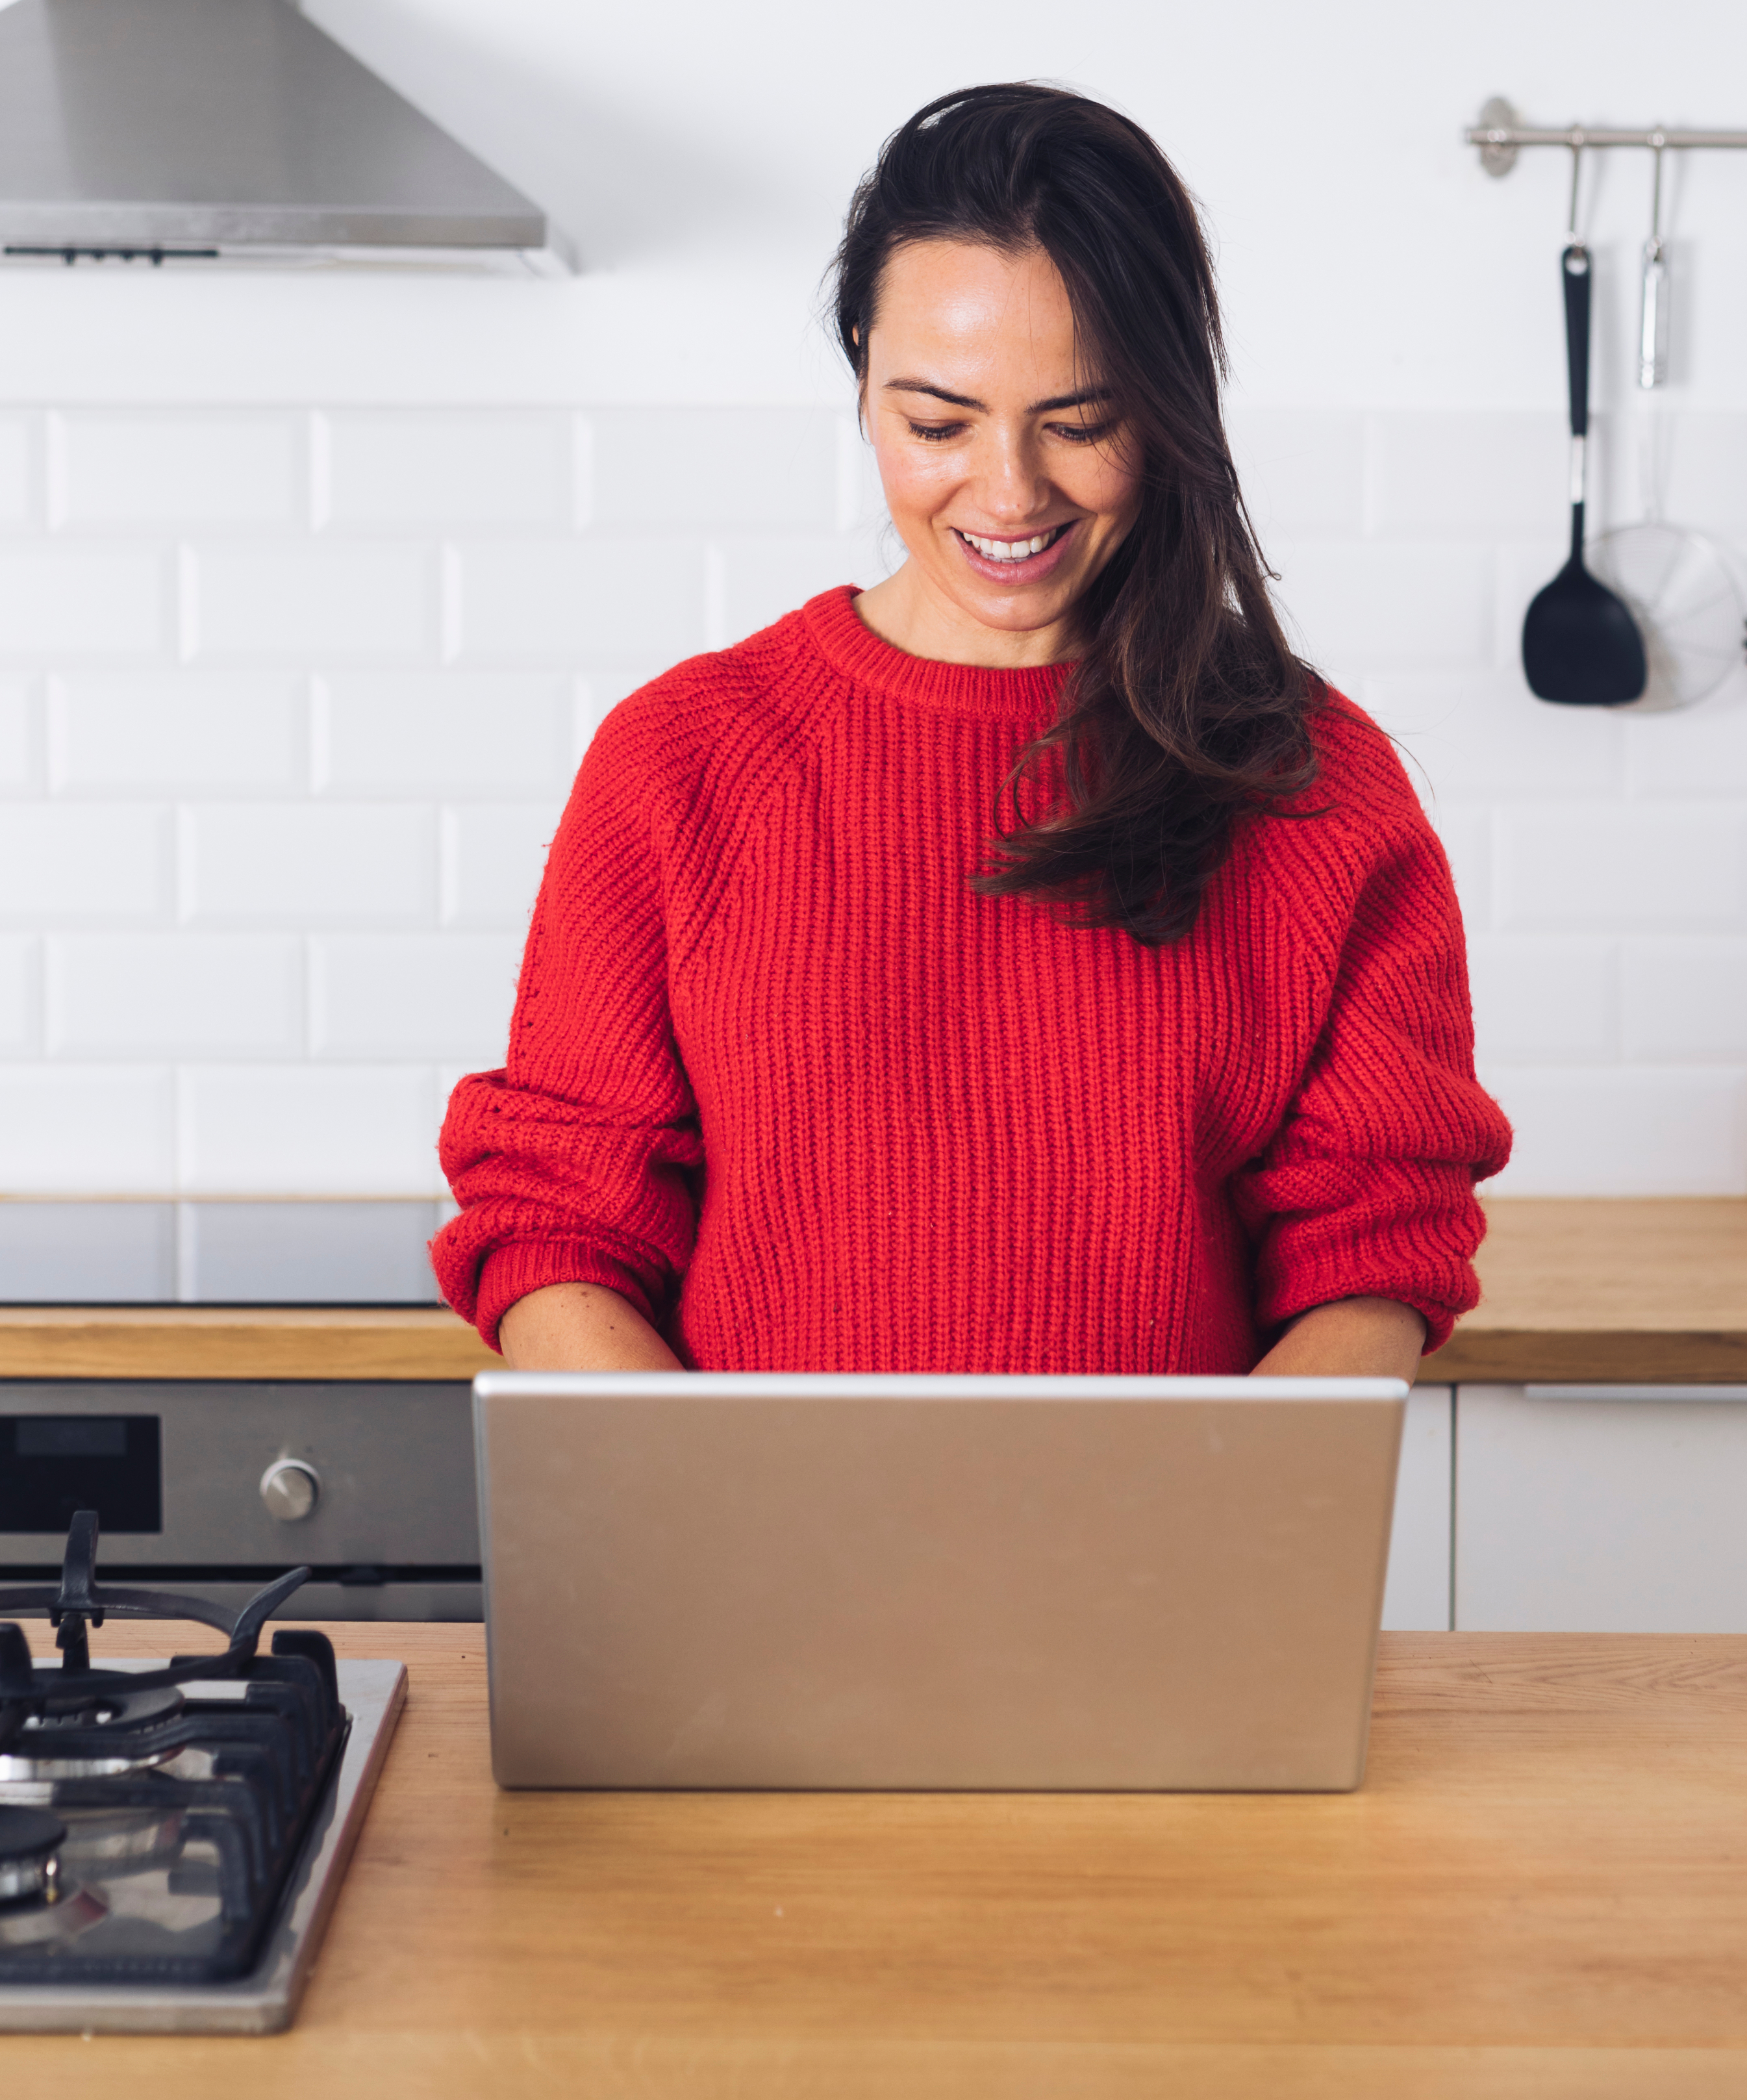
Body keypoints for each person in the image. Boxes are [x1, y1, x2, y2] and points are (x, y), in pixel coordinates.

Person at [433, 83, 1510, 1380]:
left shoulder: (1311, 783)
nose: (1008, 492)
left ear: (1166, 405)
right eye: (937, 422)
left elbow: (1376, 1240)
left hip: (1161, 1567)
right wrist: (714, 1527)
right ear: (860, 369)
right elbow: (562, 1217)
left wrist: (1208, 1539)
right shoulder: (680, 759)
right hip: (749, 1565)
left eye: (1080, 421)